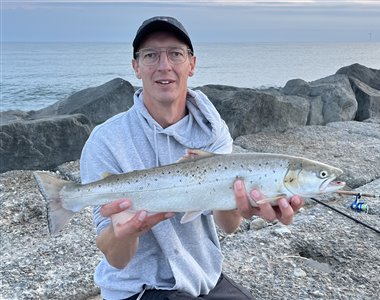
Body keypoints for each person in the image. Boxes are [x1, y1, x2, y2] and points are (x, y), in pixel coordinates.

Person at [80, 16, 304, 300]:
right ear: (136, 67)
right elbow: (117, 259)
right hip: (138, 288)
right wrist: (127, 232)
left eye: (175, 53)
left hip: (202, 277)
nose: (164, 66)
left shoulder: (212, 130)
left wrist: (240, 204)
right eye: (151, 55)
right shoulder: (105, 141)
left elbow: (228, 225)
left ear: (192, 64)